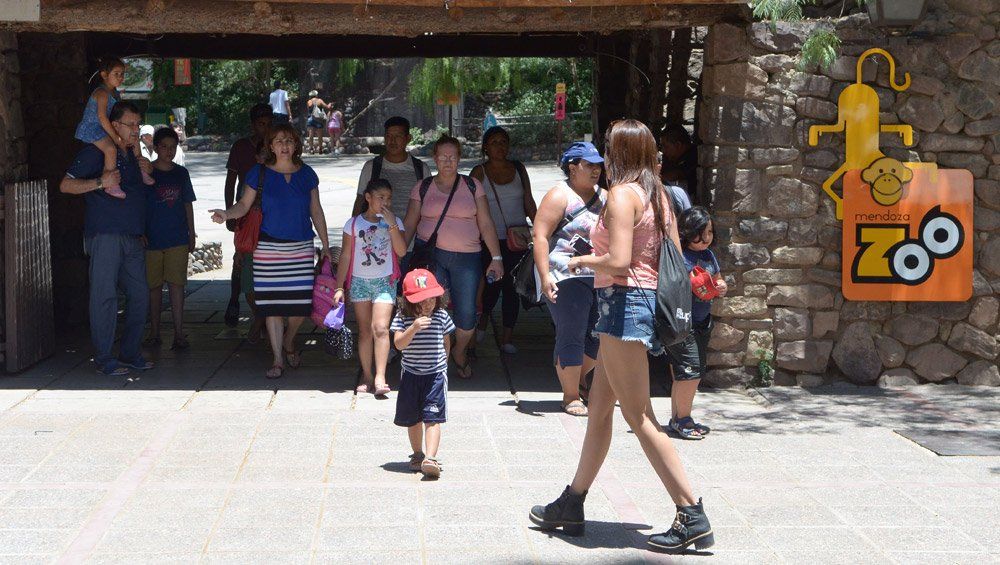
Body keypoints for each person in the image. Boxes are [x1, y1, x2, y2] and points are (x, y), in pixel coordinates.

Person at [529, 120, 714, 554]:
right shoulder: (660, 196)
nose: (604, 158)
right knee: (599, 411)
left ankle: (691, 513)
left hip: (623, 306)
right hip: (640, 305)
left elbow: (618, 260)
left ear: (620, 154)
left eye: (609, 149)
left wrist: (580, 262)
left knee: (640, 415)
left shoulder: (622, 196)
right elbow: (671, 254)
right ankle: (572, 502)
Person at [210, 124, 331, 379]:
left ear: (296, 145)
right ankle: (277, 358)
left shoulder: (307, 174)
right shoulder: (259, 172)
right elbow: (244, 205)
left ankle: (289, 340)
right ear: (271, 146)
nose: (284, 145)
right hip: (267, 249)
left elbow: (316, 210)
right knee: (271, 306)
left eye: (289, 140)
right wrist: (226, 214)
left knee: (301, 306)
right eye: (278, 141)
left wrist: (326, 245)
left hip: (300, 248)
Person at [60, 101, 156, 376]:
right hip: (104, 236)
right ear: (114, 125)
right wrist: (101, 182)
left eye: (138, 124)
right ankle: (104, 358)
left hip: (133, 237)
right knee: (104, 297)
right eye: (131, 124)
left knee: (140, 296)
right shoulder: (96, 151)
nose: (136, 130)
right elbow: (65, 185)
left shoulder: (133, 154)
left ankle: (129, 353)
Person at [402, 136, 504, 380]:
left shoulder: (472, 186)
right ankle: (437, 358)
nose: (447, 161)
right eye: (443, 156)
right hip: (432, 257)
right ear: (435, 158)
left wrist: (496, 257)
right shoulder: (423, 187)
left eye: (452, 156)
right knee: (432, 308)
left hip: (467, 259)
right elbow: (410, 224)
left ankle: (459, 350)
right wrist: (396, 256)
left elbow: (486, 223)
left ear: (459, 158)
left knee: (467, 314)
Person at [532, 142, 606, 416]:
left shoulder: (607, 197)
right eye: (589, 165)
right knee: (571, 332)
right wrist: (544, 276)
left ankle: (579, 380)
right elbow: (540, 236)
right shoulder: (559, 195)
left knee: (598, 336)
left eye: (598, 165)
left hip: (600, 274)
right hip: (565, 274)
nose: (596, 170)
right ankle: (571, 395)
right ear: (573, 168)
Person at [334, 179, 407, 396]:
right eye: (380, 197)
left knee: (381, 328)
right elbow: (346, 256)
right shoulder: (353, 224)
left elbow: (402, 251)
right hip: (359, 282)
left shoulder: (395, 222)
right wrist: (339, 287)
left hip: (385, 281)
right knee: (365, 330)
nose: (385, 202)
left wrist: (392, 225)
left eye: (389, 198)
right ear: (368, 198)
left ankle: (380, 377)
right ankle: (367, 374)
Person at [469, 126, 537, 354]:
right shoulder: (479, 172)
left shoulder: (519, 168)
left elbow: (529, 201)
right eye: (494, 142)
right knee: (490, 285)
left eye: (503, 142)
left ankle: (507, 337)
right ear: (485, 147)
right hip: (489, 240)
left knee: (513, 287)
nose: (500, 146)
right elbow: (469, 206)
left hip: (517, 240)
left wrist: (541, 230)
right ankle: (482, 322)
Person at [665, 207, 726, 440]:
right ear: (688, 232)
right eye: (701, 233)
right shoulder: (679, 256)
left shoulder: (709, 256)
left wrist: (721, 286)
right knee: (691, 372)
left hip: (702, 322)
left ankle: (677, 418)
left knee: (688, 372)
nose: (707, 238)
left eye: (710, 232)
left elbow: (718, 279)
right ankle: (684, 419)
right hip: (682, 323)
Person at [391, 269, 455, 479]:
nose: (428, 304)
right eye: (421, 300)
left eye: (432, 299)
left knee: (433, 417)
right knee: (413, 418)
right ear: (409, 301)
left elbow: (446, 342)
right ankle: (417, 454)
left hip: (435, 375)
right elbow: (399, 344)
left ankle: (431, 458)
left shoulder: (441, 316)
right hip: (411, 374)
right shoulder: (403, 317)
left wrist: (444, 363)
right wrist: (414, 328)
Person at [222, 103, 272, 341]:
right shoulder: (241, 147)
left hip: (269, 213)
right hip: (245, 209)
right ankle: (234, 299)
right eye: (261, 124)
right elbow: (230, 181)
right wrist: (229, 212)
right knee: (241, 257)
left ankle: (263, 318)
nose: (265, 128)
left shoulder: (277, 146)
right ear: (253, 125)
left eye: (269, 123)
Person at [144, 127, 197, 351]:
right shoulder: (146, 172)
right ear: (155, 148)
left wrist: (191, 232)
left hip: (177, 237)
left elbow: (187, 204)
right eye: (164, 147)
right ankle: (154, 332)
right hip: (151, 239)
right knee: (153, 287)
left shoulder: (181, 174)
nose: (169, 151)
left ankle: (178, 332)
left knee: (177, 286)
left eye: (173, 147)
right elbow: (140, 205)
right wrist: (140, 231)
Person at [73, 56, 152, 198]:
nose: (120, 77)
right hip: (93, 129)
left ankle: (141, 169)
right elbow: (102, 118)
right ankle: (111, 184)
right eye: (116, 74)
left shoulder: (115, 93)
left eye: (122, 74)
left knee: (134, 139)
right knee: (110, 149)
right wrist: (116, 137)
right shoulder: (102, 93)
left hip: (105, 126)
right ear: (104, 75)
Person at [353, 116, 431, 220]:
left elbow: (429, 204)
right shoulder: (371, 167)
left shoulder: (421, 169)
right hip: (377, 230)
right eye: (388, 136)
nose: (392, 141)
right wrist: (353, 227)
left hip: (412, 230)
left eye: (398, 136)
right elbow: (360, 200)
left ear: (408, 138)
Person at [659, 124, 698, 203]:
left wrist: (656, 179)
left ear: (678, 145)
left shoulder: (694, 156)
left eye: (666, 146)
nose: (663, 150)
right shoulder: (673, 158)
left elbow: (677, 174)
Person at [305, 90, 329, 155]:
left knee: (311, 134)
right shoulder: (320, 100)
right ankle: (320, 149)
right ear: (316, 95)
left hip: (311, 118)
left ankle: (311, 149)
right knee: (319, 135)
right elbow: (326, 107)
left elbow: (309, 110)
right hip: (318, 119)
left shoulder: (309, 101)